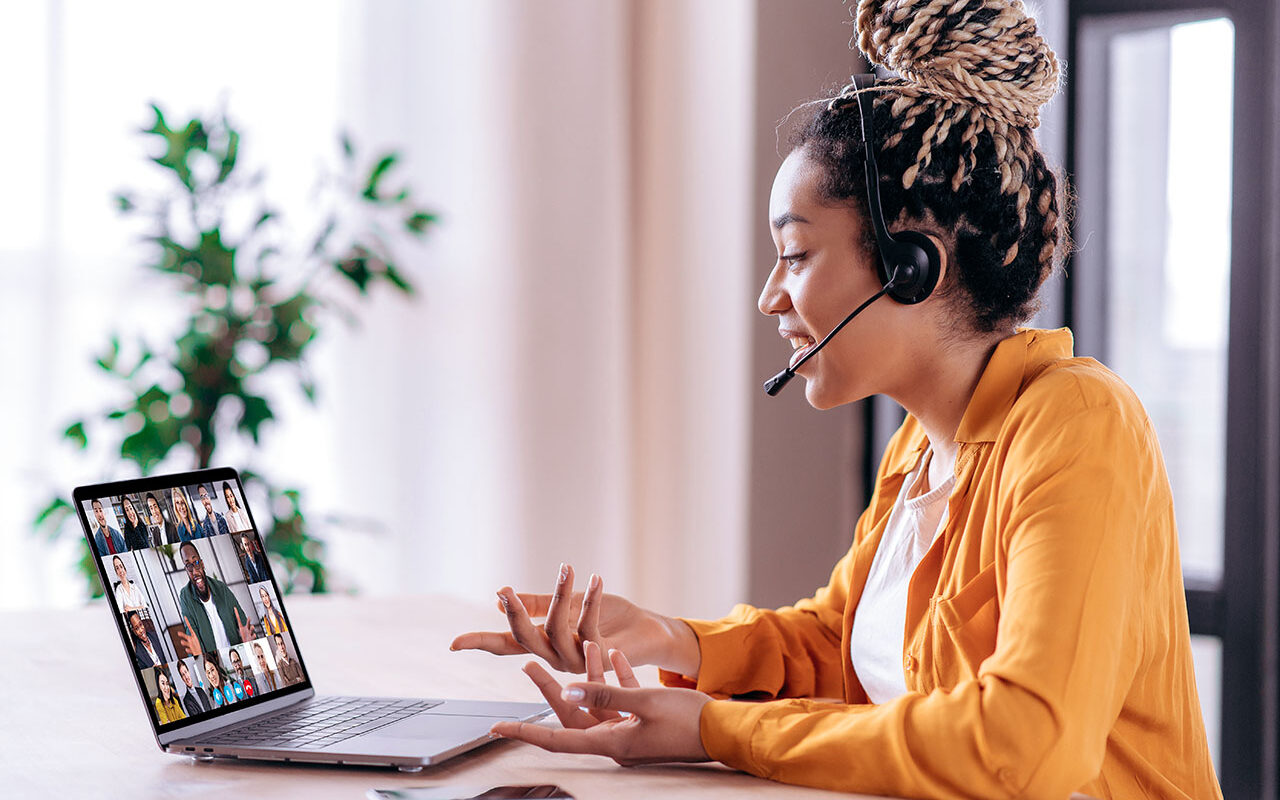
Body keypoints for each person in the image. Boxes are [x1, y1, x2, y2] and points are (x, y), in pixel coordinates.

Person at [451, 1, 1222, 797]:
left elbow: (1022, 746)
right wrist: (667, 639)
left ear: (912, 263)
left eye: (795, 254)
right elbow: (837, 648)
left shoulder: (1077, 424)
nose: (769, 298)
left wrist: (717, 730)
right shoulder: (921, 451)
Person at [173, 542, 254, 658]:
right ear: (186, 570)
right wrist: (197, 655)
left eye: (196, 563)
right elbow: (192, 638)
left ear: (202, 564)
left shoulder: (221, 588)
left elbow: (244, 625)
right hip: (213, 660)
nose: (194, 572)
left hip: (236, 654)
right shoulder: (185, 596)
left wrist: (248, 643)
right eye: (189, 566)